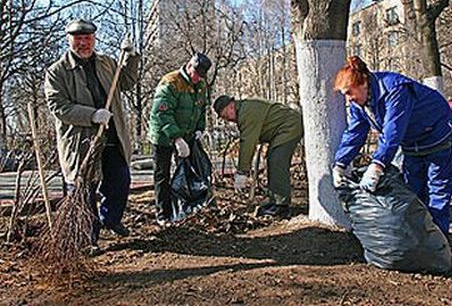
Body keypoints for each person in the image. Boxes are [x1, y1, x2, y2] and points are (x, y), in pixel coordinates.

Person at [331, 56, 452, 235]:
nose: (348, 99)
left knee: (438, 190)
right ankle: (420, 240)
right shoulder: (360, 104)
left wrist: (377, 165)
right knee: (414, 189)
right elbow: (355, 133)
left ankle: (439, 243)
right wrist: (340, 164)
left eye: (350, 92)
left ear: (364, 82)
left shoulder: (395, 90)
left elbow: (393, 131)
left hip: (436, 134)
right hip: (412, 143)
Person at [45, 19, 140, 253]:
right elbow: (58, 106)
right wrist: (92, 115)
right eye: (78, 39)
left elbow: (126, 82)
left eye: (87, 38)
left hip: (111, 136)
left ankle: (111, 219)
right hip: (81, 142)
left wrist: (131, 56)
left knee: (120, 180)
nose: (83, 43)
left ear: (94, 39)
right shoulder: (57, 72)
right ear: (70, 40)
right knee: (83, 190)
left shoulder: (107, 63)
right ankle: (87, 240)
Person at [213, 95, 303, 218]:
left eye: (225, 116)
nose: (227, 120)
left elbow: (247, 143)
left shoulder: (246, 113)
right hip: (284, 128)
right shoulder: (244, 110)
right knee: (273, 160)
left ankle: (281, 206)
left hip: (290, 126)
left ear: (231, 106)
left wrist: (242, 172)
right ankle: (274, 201)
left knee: (277, 161)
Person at [148, 52, 212, 226]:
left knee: (185, 173)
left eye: (202, 76)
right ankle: (163, 214)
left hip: (187, 135)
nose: (198, 78)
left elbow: (202, 109)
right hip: (163, 137)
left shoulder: (201, 84)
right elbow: (162, 112)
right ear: (189, 66)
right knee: (162, 174)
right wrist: (176, 138)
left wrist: (199, 129)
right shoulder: (171, 82)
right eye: (196, 74)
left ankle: (181, 209)